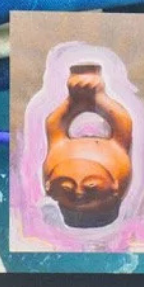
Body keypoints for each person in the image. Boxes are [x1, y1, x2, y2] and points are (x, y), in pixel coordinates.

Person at [42, 63, 134, 228]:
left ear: (48, 186)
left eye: (91, 187)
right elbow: (123, 122)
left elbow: (53, 124)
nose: (78, 193)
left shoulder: (58, 148)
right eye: (66, 188)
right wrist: (99, 97)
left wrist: (72, 100)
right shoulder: (116, 151)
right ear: (115, 186)